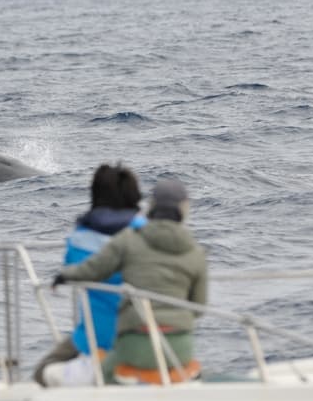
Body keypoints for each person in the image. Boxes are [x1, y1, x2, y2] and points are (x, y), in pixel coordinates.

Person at [53, 178, 208, 385]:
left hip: (134, 342)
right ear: (184, 209)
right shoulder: (196, 252)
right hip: (178, 346)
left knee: (101, 379)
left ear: (151, 206)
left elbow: (92, 269)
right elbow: (197, 308)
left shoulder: (129, 239)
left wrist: (65, 275)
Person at [33, 163, 145, 387]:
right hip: (148, 336)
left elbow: (71, 268)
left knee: (42, 373)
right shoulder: (150, 233)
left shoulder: (80, 238)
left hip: (96, 338)